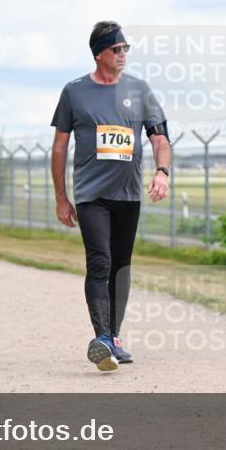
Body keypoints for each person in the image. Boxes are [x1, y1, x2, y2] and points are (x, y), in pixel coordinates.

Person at [50, 20, 170, 372]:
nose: (123, 55)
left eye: (125, 49)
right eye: (116, 49)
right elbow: (60, 147)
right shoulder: (74, 92)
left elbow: (160, 137)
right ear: (99, 53)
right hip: (91, 194)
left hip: (128, 194)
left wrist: (162, 173)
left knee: (121, 266)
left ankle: (113, 337)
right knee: (99, 261)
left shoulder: (141, 90)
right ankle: (102, 337)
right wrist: (61, 197)